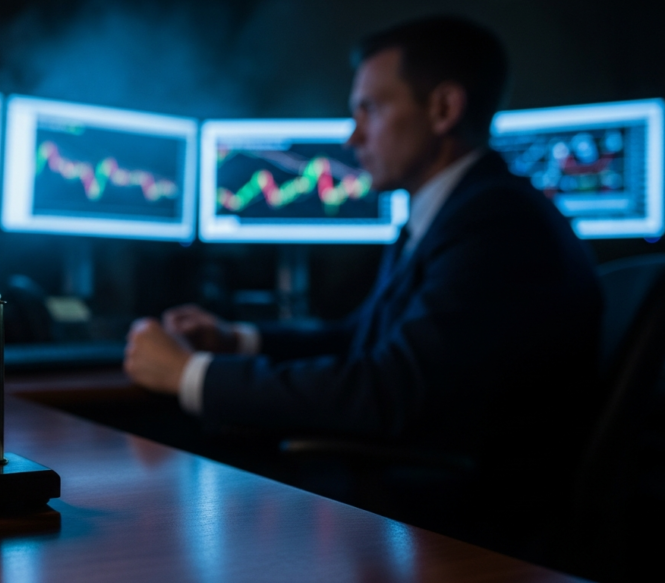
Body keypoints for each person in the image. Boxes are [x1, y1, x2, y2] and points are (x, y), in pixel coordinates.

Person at [124, 15, 602, 548]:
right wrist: (237, 340)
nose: (351, 137)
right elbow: (360, 337)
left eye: (368, 110)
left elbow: (386, 390)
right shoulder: (453, 212)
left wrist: (192, 374)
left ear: (443, 108)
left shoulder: (496, 223)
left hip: (467, 530)